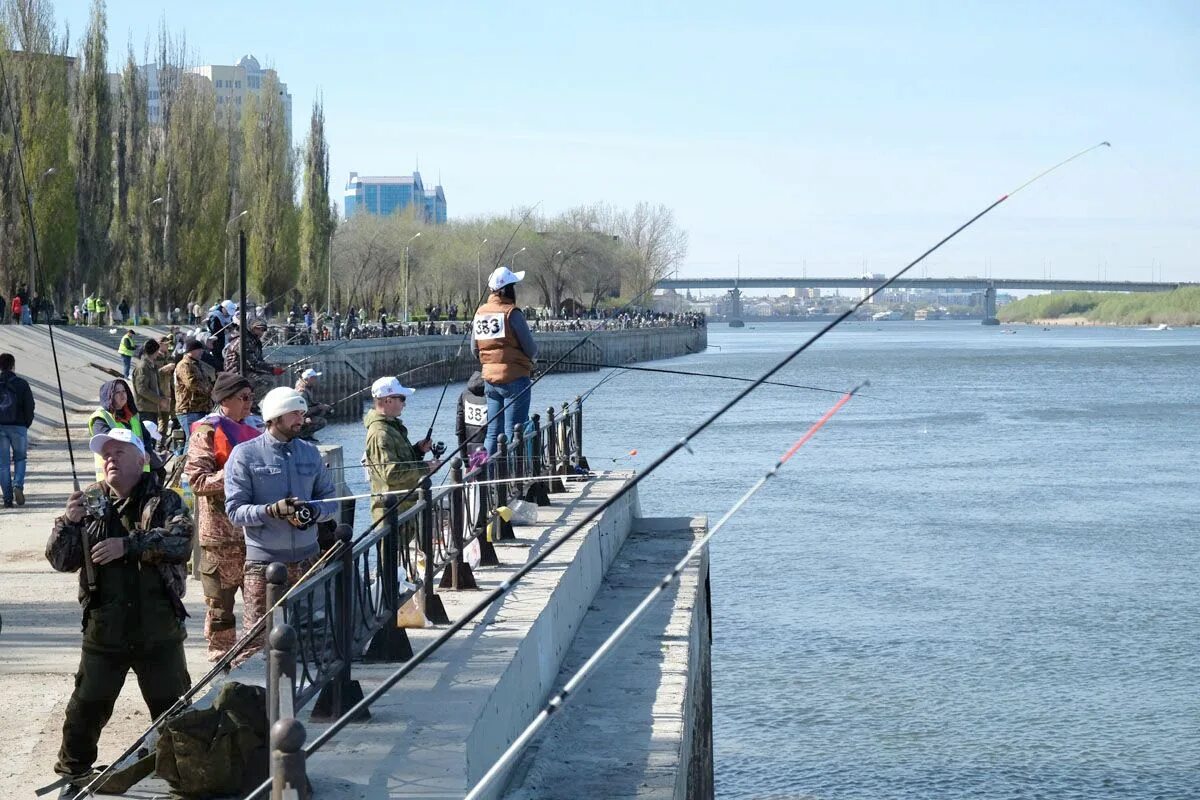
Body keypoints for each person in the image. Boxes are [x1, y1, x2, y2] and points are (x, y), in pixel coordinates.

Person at [45, 428, 192, 792]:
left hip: (157, 627)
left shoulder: (167, 501)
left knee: (173, 709)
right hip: (104, 626)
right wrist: (68, 523)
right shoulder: (89, 502)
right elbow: (61, 561)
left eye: (119, 452)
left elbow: (181, 542)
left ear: (141, 459)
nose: (110, 459)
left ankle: (186, 772)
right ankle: (73, 774)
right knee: (86, 706)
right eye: (105, 454)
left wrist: (128, 545)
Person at [224, 386, 338, 659]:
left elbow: (331, 501)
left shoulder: (310, 453)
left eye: (302, 413)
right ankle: (257, 697)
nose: (301, 419)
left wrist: (313, 512)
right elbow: (235, 511)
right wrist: (271, 510)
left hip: (308, 562)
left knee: (315, 638)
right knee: (255, 641)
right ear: (274, 417)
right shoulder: (244, 455)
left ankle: (308, 696)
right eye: (294, 414)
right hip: (263, 565)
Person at [185, 373, 261, 661]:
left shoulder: (252, 431)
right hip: (220, 539)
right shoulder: (206, 432)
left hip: (254, 536)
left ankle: (255, 663)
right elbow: (199, 482)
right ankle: (222, 664)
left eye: (251, 398)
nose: (249, 404)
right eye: (243, 398)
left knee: (260, 609)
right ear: (224, 399)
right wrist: (237, 474)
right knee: (221, 611)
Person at [473, 266, 539, 454]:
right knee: (514, 431)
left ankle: (489, 476)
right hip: (516, 379)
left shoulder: (480, 313)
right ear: (507, 289)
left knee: (492, 433)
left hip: (490, 382)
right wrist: (533, 358)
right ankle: (512, 476)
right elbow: (531, 349)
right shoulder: (512, 313)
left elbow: (474, 349)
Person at [363, 377, 438, 528]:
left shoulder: (391, 426)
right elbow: (391, 473)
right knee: (392, 551)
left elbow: (399, 461)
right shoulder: (380, 433)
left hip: (404, 508)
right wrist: (426, 467)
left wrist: (418, 449)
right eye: (402, 399)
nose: (404, 404)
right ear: (388, 400)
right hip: (392, 513)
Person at [88, 380, 156, 480]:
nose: (122, 395)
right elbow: (109, 444)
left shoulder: (133, 416)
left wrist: (148, 452)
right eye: (117, 392)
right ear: (109, 396)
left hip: (138, 473)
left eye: (124, 391)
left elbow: (146, 437)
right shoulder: (100, 418)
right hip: (113, 476)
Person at [0, 353, 35, 508]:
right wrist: (26, 424)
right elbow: (30, 405)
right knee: (20, 458)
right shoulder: (22, 384)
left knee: (3, 464)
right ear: (13, 365)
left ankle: (7, 498)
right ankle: (18, 485)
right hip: (19, 426)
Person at [224, 317, 283, 403]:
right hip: (236, 372)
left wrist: (272, 369)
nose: (261, 332)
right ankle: (250, 404)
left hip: (248, 370)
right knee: (266, 383)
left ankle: (252, 403)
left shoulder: (255, 342)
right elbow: (252, 363)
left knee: (271, 378)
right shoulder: (243, 341)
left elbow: (259, 361)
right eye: (258, 329)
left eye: (263, 330)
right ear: (251, 328)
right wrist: (271, 369)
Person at [174, 337, 217, 439]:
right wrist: (212, 393)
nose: (201, 352)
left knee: (197, 440)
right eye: (199, 349)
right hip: (189, 410)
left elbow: (206, 381)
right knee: (193, 440)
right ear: (191, 350)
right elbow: (192, 384)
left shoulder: (196, 365)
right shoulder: (185, 365)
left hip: (200, 408)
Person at [131, 338, 169, 432]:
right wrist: (159, 400)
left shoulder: (152, 365)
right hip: (145, 409)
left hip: (152, 408)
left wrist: (163, 398)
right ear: (154, 351)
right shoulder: (143, 367)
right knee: (147, 439)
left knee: (152, 439)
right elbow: (142, 389)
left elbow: (156, 386)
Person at [455, 370, 488, 460]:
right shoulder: (491, 395)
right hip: (488, 449)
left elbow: (460, 429)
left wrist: (464, 458)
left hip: (470, 452)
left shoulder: (464, 394)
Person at [293, 368, 330, 440]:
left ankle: (307, 435)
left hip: (301, 416)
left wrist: (321, 406)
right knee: (322, 422)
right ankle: (302, 435)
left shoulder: (305, 388)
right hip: (299, 418)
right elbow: (303, 411)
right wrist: (319, 407)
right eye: (314, 378)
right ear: (310, 379)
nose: (316, 380)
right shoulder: (302, 392)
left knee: (322, 411)